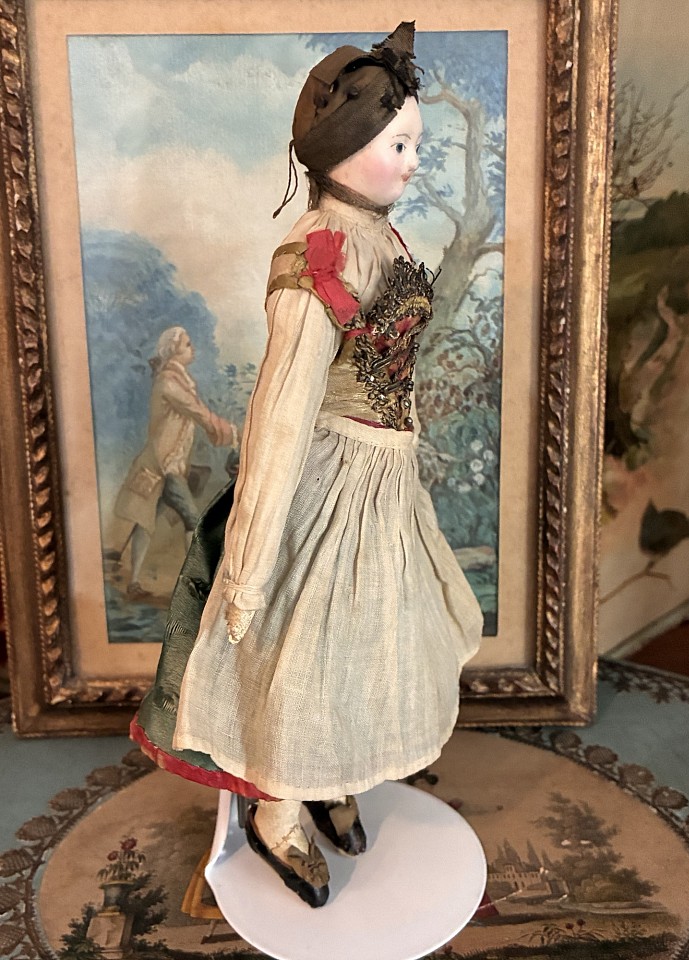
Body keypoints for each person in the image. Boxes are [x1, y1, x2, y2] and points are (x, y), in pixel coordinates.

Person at [130, 23, 483, 908]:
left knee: (365, 636)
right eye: (398, 146)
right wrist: (250, 562)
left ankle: (331, 771)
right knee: (301, 650)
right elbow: (282, 409)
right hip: (320, 485)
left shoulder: (383, 236)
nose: (413, 164)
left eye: (415, 146)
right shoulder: (318, 250)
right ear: (342, 149)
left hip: (381, 480)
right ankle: (278, 810)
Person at [112, 326, 236, 598]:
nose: (193, 348)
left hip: (169, 464)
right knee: (193, 519)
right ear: (173, 351)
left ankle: (134, 583)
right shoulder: (169, 382)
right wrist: (230, 433)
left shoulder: (180, 380)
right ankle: (197, 585)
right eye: (187, 345)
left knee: (146, 521)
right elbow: (197, 412)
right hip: (163, 466)